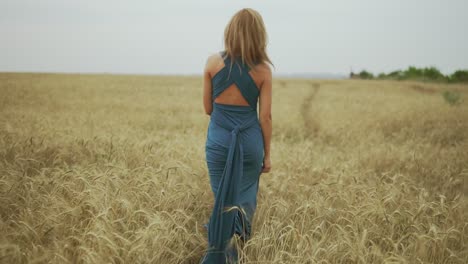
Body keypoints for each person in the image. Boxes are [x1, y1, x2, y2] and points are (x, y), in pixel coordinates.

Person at [201, 8, 273, 264]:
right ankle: (235, 257)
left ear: (229, 32)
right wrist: (267, 155)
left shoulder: (211, 63)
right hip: (249, 143)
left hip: (219, 142)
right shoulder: (263, 71)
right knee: (243, 204)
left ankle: (217, 254)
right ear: (259, 35)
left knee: (222, 200)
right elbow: (265, 117)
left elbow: (208, 109)